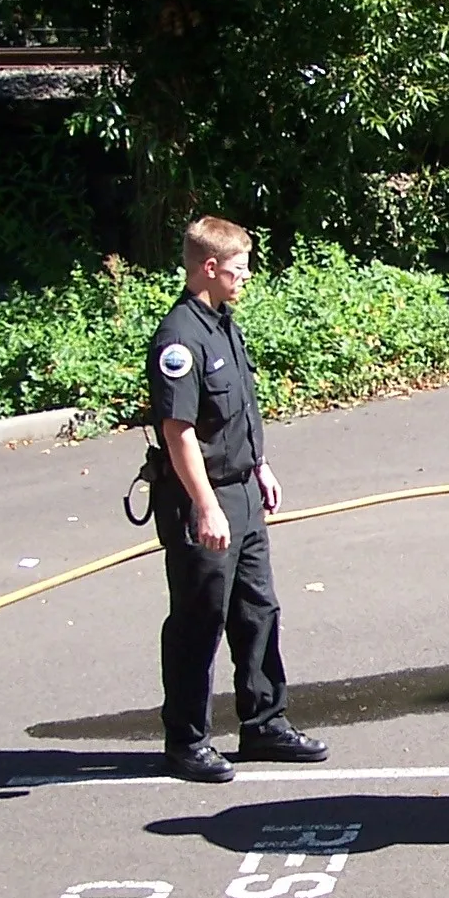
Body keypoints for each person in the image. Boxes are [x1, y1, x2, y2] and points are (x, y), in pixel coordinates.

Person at [145, 215, 327, 783]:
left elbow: (234, 414)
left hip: (241, 489)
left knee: (257, 611)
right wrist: (205, 506)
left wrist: (260, 466)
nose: (244, 278)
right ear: (209, 268)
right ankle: (187, 740)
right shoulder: (180, 338)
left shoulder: (222, 324)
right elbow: (179, 432)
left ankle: (264, 722)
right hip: (205, 499)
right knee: (200, 620)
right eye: (238, 269)